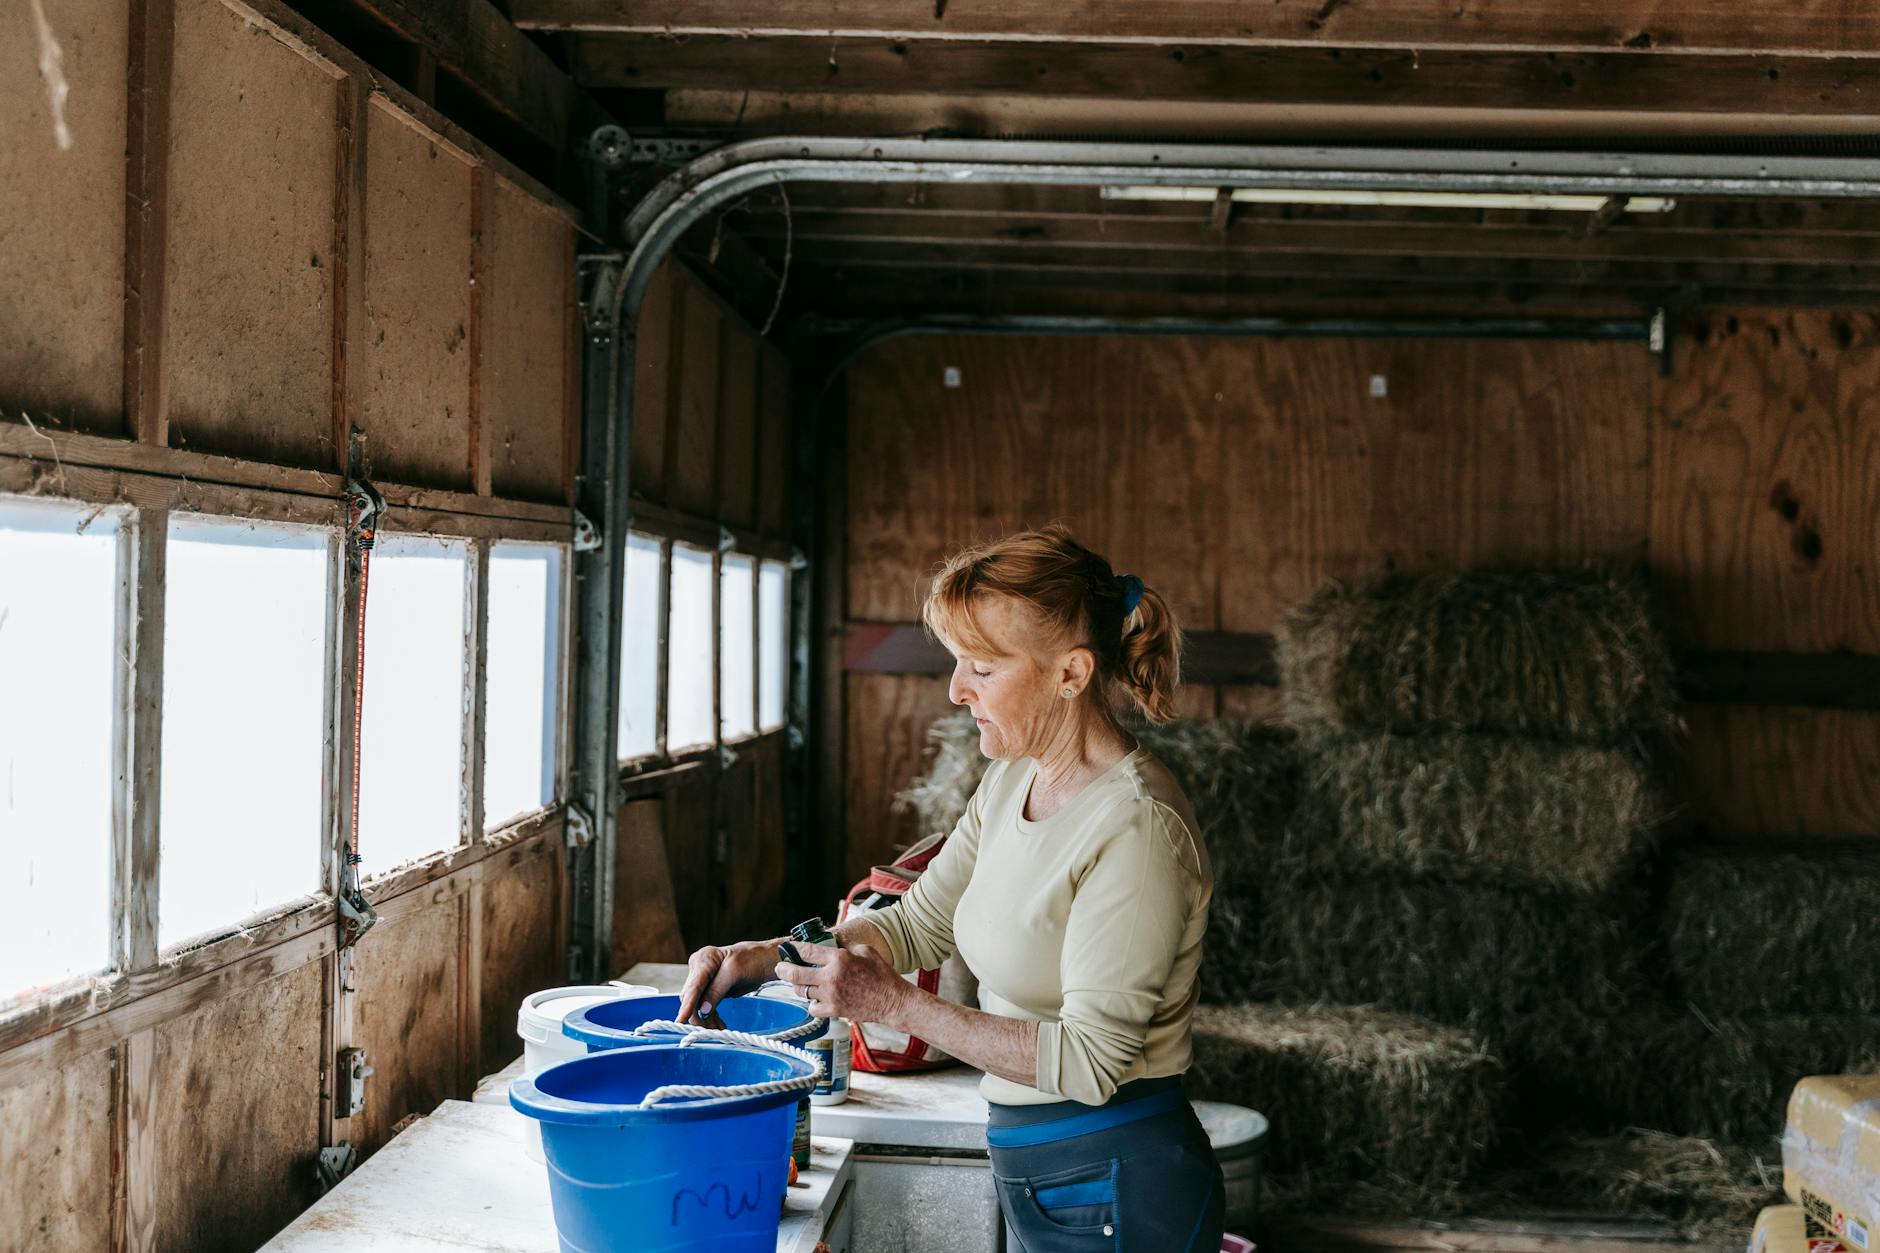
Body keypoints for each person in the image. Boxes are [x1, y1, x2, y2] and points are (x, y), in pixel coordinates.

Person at [677, 525, 1224, 1251]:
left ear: (1072, 672)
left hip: (1117, 1179)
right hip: (1049, 1172)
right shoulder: (1013, 778)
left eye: (983, 667)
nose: (956, 688)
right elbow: (917, 923)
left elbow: (1093, 1061)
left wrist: (897, 1003)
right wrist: (771, 954)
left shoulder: (1137, 830)